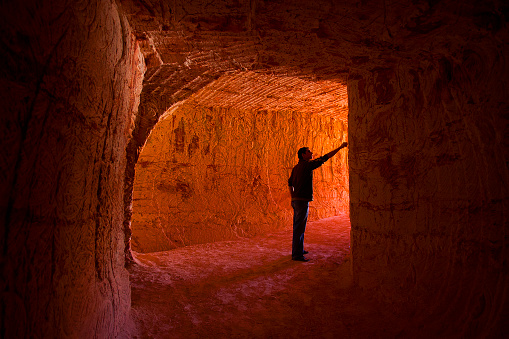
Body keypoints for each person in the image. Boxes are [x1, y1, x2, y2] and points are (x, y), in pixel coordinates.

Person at [288, 142, 348, 261]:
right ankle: (297, 255)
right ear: (303, 155)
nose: (311, 153)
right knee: (299, 227)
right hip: (302, 200)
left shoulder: (296, 167)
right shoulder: (307, 165)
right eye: (309, 151)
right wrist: (340, 147)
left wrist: (292, 197)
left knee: (299, 226)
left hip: (296, 200)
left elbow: (289, 183)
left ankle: (299, 250)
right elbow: (325, 158)